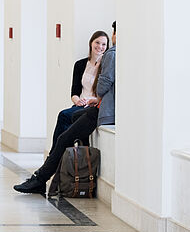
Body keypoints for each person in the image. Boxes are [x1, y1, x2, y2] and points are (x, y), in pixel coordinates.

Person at [14, 21, 117, 195]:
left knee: (64, 139)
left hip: (102, 112)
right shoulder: (108, 57)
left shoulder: (112, 54)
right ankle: (61, 174)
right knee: (72, 119)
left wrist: (95, 98)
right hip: (99, 108)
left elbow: (102, 86)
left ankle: (40, 179)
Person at [49, 31, 108, 153]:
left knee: (64, 116)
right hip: (79, 105)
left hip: (92, 107)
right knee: (66, 121)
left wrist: (94, 100)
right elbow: (74, 91)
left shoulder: (106, 66)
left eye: (104, 44)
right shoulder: (80, 64)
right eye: (97, 42)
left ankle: (54, 156)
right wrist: (78, 101)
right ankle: (59, 156)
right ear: (91, 43)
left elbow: (105, 94)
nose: (100, 47)